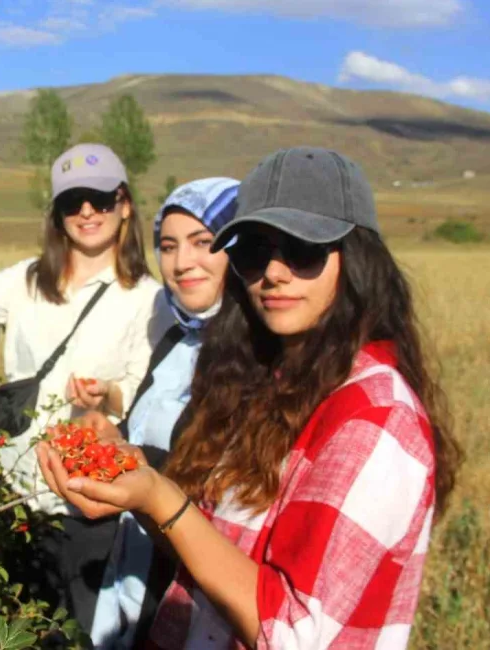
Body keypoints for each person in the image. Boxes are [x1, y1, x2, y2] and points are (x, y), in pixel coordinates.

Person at [38, 147, 463, 649]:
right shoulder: (274, 384)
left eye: (303, 249)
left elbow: (294, 635)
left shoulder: (373, 418)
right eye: (253, 252)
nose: (274, 272)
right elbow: (212, 560)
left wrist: (160, 497)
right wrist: (135, 482)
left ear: (358, 259)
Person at [0, 143, 169, 633]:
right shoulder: (24, 280)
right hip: (12, 493)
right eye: (71, 201)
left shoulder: (150, 299)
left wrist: (108, 395)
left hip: (89, 506)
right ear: (57, 214)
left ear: (124, 204)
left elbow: (144, 393)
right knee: (5, 632)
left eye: (100, 199)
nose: (86, 212)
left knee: (82, 634)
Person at [86, 177, 241, 649]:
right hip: (135, 557)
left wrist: (136, 465)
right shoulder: (174, 340)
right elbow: (143, 437)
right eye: (169, 246)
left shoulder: (254, 358)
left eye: (204, 243)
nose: (181, 263)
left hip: (193, 585)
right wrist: (107, 438)